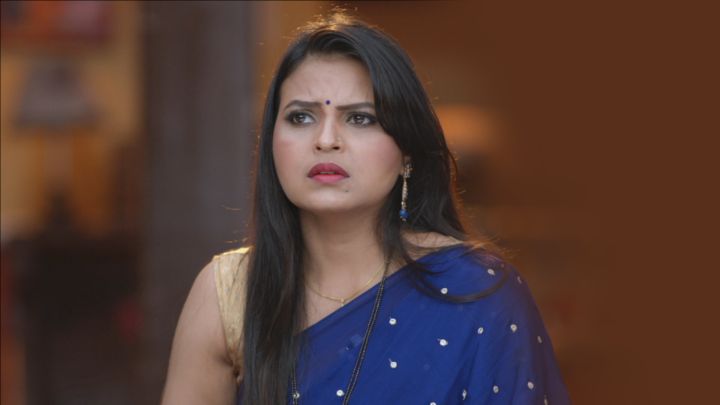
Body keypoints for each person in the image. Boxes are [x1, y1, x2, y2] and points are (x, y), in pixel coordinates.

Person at [161, 12, 570, 405]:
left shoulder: (479, 293)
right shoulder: (230, 295)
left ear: (407, 150)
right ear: (270, 143)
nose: (326, 140)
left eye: (359, 119)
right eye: (301, 117)